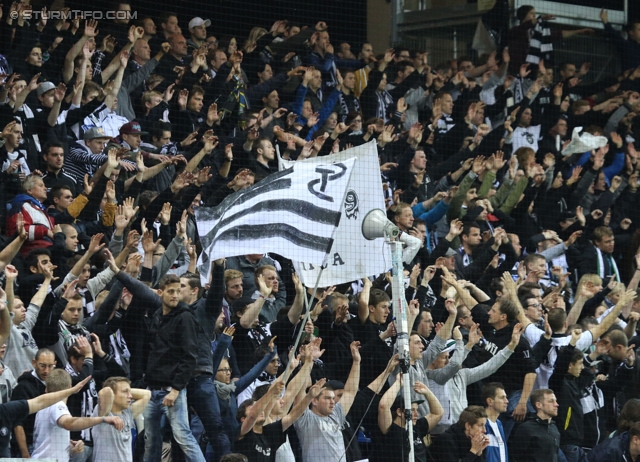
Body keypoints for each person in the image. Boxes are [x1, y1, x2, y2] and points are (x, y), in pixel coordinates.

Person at [105, 250, 204, 462]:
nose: (175, 295)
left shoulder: (185, 318)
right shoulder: (158, 315)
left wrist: (176, 390)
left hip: (172, 391)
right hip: (152, 390)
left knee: (183, 435)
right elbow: (140, 289)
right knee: (151, 439)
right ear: (161, 293)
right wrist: (116, 271)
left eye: (178, 291)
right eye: (170, 292)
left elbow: (190, 357)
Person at [31, 369, 124, 462]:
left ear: (46, 388)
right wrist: (103, 419)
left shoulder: (43, 407)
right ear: (70, 387)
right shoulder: (57, 404)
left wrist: (70, 447)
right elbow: (69, 423)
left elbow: (47, 443)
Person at [293, 341, 361, 462]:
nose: (332, 402)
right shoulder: (305, 419)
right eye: (327, 398)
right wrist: (307, 362)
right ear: (314, 400)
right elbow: (299, 389)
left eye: (333, 398)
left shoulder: (336, 414)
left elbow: (350, 391)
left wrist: (356, 361)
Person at [93, 376, 151, 462]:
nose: (130, 396)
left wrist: (127, 389)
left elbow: (147, 394)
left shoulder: (127, 413)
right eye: (125, 392)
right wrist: (112, 388)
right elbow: (105, 392)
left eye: (130, 392)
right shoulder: (102, 412)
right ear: (112, 394)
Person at [510, 389, 561, 462]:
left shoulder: (554, 428)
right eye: (551, 401)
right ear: (538, 405)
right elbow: (514, 457)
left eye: (555, 401)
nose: (556, 404)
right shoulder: (526, 428)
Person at [482, 383, 509, 462]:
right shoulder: (481, 424)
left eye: (506, 397)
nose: (507, 401)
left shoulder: (499, 424)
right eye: (502, 398)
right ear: (490, 401)